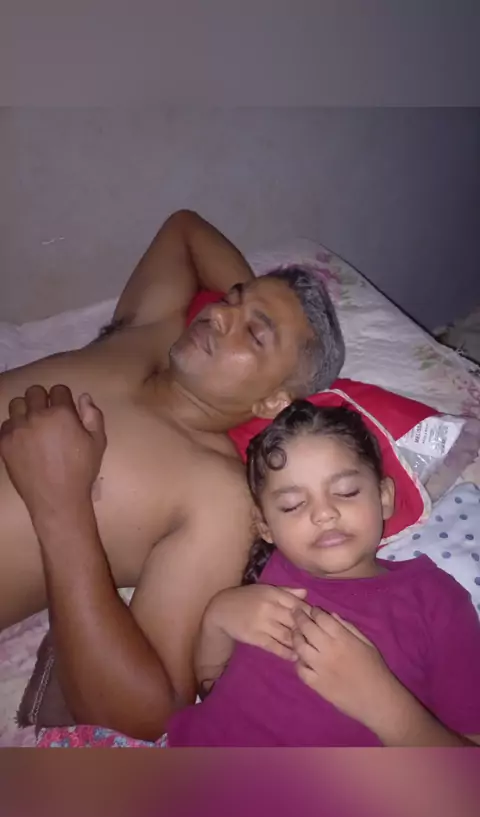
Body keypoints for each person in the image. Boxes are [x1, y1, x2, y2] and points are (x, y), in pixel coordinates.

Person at [0, 211, 345, 740]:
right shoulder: (149, 335)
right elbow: (185, 231)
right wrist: (259, 302)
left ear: (273, 401)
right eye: (230, 301)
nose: (218, 315)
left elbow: (145, 712)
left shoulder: (216, 495)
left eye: (254, 333)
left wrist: (60, 507)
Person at [36, 401, 480, 747]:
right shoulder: (269, 573)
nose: (324, 513)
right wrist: (218, 617)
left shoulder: (434, 598)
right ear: (265, 526)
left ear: (384, 497)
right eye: (293, 504)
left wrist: (383, 703)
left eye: (346, 491)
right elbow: (210, 687)